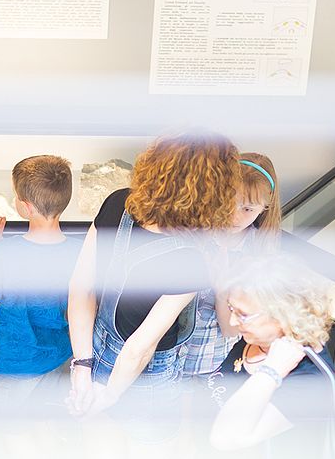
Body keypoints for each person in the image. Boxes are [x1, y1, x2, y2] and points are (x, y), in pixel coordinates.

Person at [66, 131, 242, 440]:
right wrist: (109, 397)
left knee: (95, 439)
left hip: (93, 349)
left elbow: (81, 288)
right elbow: (140, 347)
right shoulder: (191, 257)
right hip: (142, 377)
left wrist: (82, 367)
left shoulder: (118, 202)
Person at [0, 155, 83, 407]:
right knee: (46, 421)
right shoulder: (80, 252)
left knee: (2, 427)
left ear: (25, 207)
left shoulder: (6, 252)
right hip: (60, 358)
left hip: (13, 364)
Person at [207, 254, 334, 452]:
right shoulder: (257, 338)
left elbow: (225, 439)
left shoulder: (311, 380)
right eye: (232, 308)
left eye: (243, 315)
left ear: (282, 315)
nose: (233, 321)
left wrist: (271, 371)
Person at [182, 153, 281, 380]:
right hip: (163, 354)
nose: (233, 216)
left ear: (264, 207)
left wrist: (221, 289)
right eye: (228, 202)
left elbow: (231, 330)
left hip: (206, 361)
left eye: (247, 209)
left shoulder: (259, 255)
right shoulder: (196, 230)